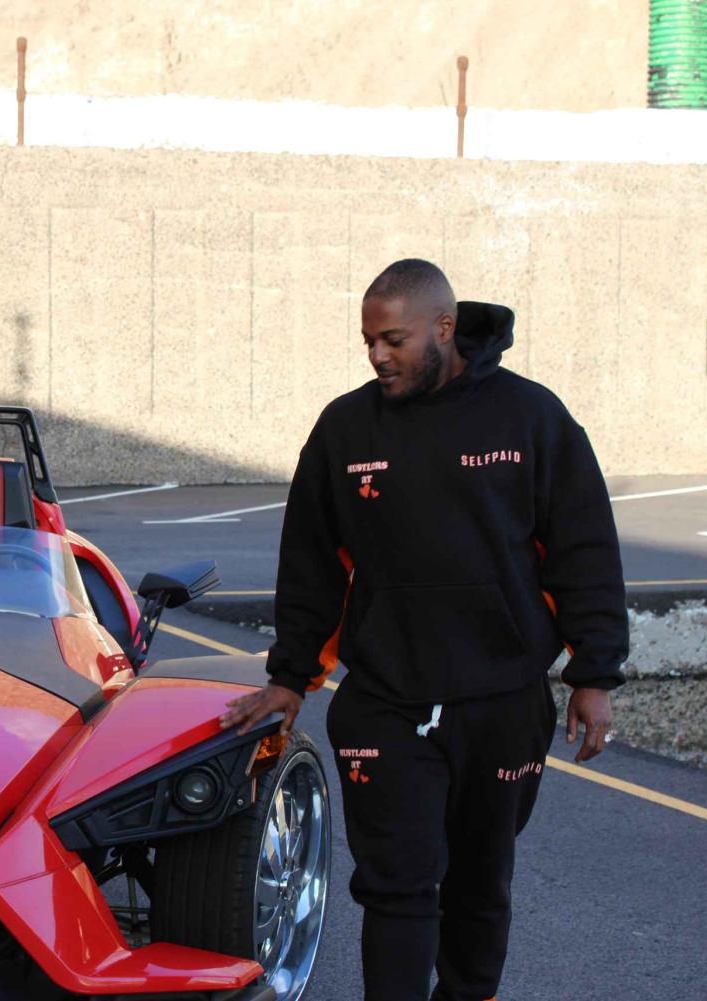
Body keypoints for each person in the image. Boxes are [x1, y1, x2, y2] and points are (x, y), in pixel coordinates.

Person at [219, 259, 629, 1001]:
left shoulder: (531, 418)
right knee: (397, 884)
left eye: (395, 339)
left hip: (502, 700)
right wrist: (289, 678)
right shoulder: (346, 428)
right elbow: (309, 563)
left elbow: (583, 549)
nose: (378, 355)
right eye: (369, 341)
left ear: (444, 328)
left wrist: (594, 675)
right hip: (386, 696)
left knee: (480, 879)